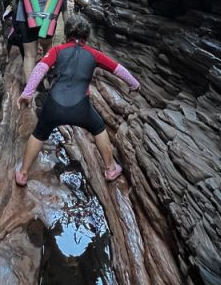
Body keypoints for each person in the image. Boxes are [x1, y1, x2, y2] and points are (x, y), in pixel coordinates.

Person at [14, 13, 140, 185]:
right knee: (98, 128)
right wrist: (134, 84)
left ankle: (22, 174)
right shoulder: (95, 54)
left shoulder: (57, 50)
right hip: (81, 108)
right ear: (86, 37)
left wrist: (27, 93)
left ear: (66, 35)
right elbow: (118, 69)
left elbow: (39, 70)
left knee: (39, 134)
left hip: (53, 106)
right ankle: (110, 169)